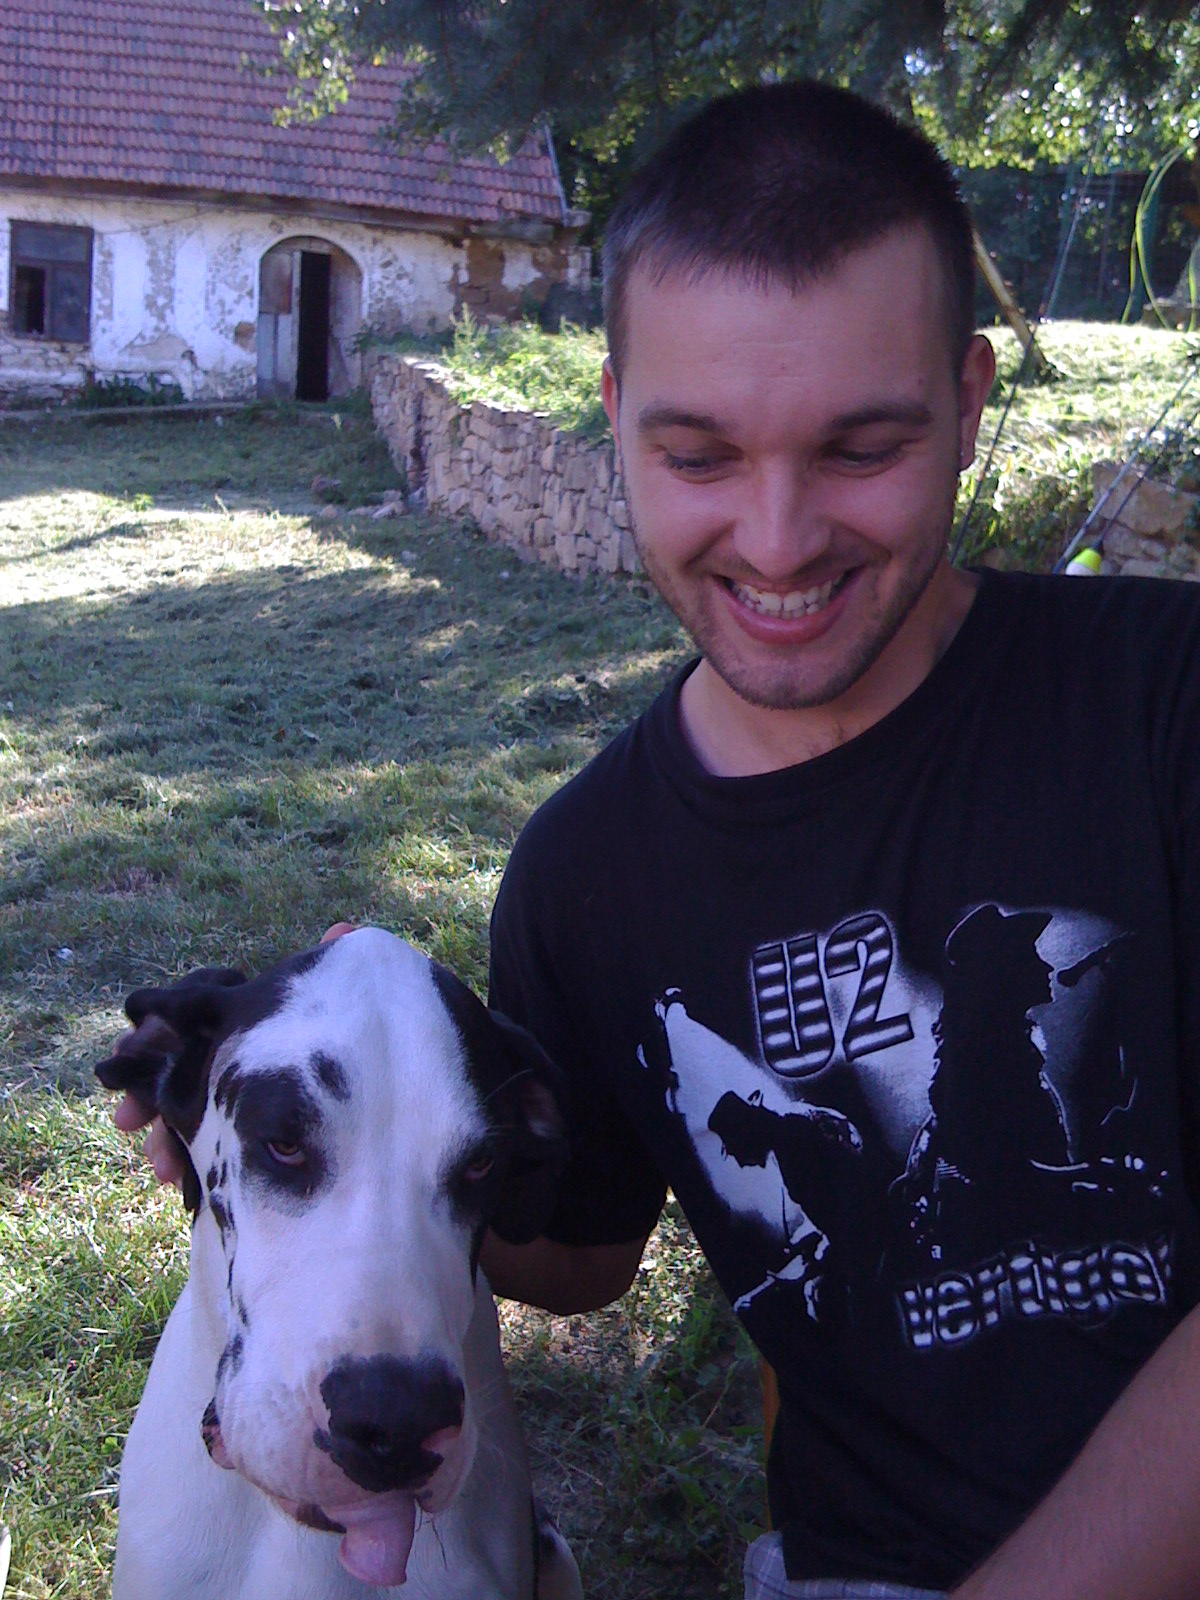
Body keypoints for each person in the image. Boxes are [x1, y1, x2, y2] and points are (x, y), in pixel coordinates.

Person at [118, 81, 1200, 1600]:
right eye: (698, 455)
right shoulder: (585, 876)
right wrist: (338, 1120)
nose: (777, 537)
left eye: (862, 447)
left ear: (970, 401)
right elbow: (573, 1253)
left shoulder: (1167, 704)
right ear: (615, 414)